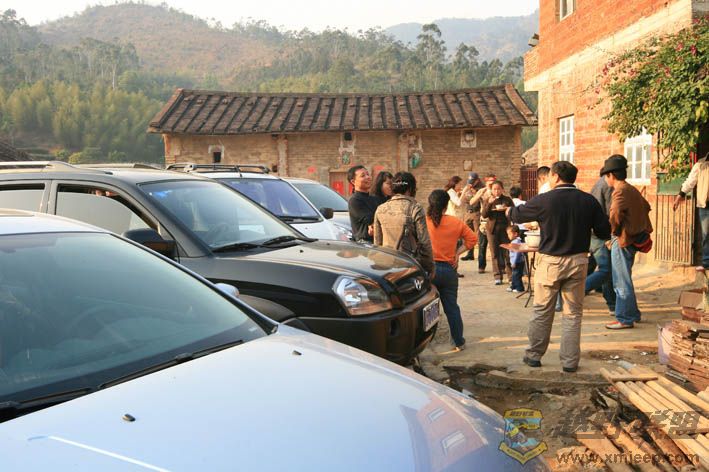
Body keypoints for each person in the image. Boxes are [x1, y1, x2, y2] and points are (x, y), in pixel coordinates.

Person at [508, 161, 610, 373]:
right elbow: (604, 231)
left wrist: (509, 210)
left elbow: (517, 215)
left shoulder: (545, 200)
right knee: (572, 313)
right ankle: (570, 362)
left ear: (554, 177)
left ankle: (534, 356)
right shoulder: (588, 201)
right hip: (578, 261)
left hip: (550, 262)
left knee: (542, 310)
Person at [601, 155, 653, 330]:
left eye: (606, 176)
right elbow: (646, 206)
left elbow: (615, 213)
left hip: (622, 239)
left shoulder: (620, 190)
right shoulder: (630, 188)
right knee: (625, 277)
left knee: (621, 281)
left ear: (611, 175)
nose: (605, 179)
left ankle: (624, 318)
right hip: (632, 238)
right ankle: (633, 314)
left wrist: (615, 232)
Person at [426, 189, 477, 352]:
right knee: (452, 308)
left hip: (429, 270)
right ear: (446, 205)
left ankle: (426, 341)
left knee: (428, 307)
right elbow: (473, 239)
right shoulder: (455, 222)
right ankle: (458, 342)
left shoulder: (424, 222)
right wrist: (457, 253)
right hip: (449, 270)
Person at [373, 172, 434, 275]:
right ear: (410, 189)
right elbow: (424, 242)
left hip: (387, 265)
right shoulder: (415, 208)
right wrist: (430, 267)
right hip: (409, 266)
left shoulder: (381, 209)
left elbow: (377, 242)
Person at [673, 152, 709, 271]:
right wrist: (680, 195)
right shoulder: (700, 164)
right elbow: (690, 181)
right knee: (706, 235)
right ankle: (706, 263)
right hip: (705, 206)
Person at [586, 176, 616, 315]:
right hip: (600, 234)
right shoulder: (606, 186)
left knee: (597, 266)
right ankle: (612, 303)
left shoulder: (600, 185)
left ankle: (612, 302)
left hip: (596, 234)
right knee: (606, 270)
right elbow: (608, 213)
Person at [481, 180, 514, 285]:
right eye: (494, 189)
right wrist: (489, 204)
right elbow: (484, 215)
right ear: (491, 190)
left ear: (502, 189)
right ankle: (497, 276)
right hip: (492, 230)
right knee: (494, 253)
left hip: (505, 229)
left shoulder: (507, 200)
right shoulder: (488, 200)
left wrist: (507, 209)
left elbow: (513, 212)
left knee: (507, 253)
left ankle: (511, 277)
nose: (496, 191)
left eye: (498, 189)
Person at [469, 173, 496, 273]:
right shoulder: (482, 191)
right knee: (482, 244)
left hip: (494, 218)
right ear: (486, 181)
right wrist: (479, 195)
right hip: (484, 220)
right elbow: (471, 202)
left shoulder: (497, 190)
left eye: (493, 182)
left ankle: (498, 267)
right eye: (490, 182)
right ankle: (481, 266)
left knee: (494, 245)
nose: (491, 184)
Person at [347, 165, 379, 243]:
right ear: (353, 181)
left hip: (376, 240)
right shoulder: (354, 200)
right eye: (363, 176)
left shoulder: (374, 198)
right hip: (364, 243)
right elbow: (369, 219)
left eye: (368, 174)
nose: (368, 177)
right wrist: (372, 224)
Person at [461, 172, 485, 261]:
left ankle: (481, 256)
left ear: (477, 180)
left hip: (477, 213)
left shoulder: (481, 188)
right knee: (468, 235)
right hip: (468, 212)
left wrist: (472, 196)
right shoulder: (468, 187)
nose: (470, 183)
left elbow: (475, 200)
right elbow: (465, 199)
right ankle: (470, 254)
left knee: (479, 235)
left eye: (472, 182)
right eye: (470, 181)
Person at [507, 225, 525, 293]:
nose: (508, 236)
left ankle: (519, 288)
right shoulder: (515, 241)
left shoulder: (516, 242)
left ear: (515, 234)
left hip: (517, 262)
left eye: (509, 234)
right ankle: (513, 286)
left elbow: (517, 253)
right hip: (515, 262)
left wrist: (514, 262)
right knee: (514, 275)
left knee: (516, 275)